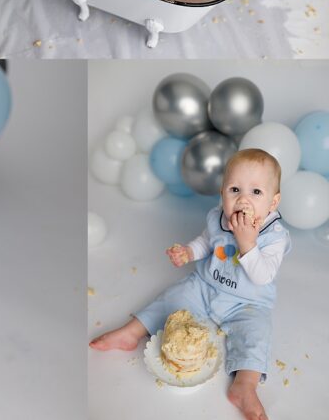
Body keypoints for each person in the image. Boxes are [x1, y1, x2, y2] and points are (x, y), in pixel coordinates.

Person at [90, 149, 290, 420]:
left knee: (256, 334)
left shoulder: (274, 237)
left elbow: (263, 275)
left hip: (248, 303)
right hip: (206, 287)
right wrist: (188, 252)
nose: (243, 199)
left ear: (273, 202)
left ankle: (245, 385)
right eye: (234, 189)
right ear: (222, 193)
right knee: (172, 298)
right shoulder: (218, 218)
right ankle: (131, 332)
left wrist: (247, 243)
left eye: (256, 192)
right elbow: (206, 243)